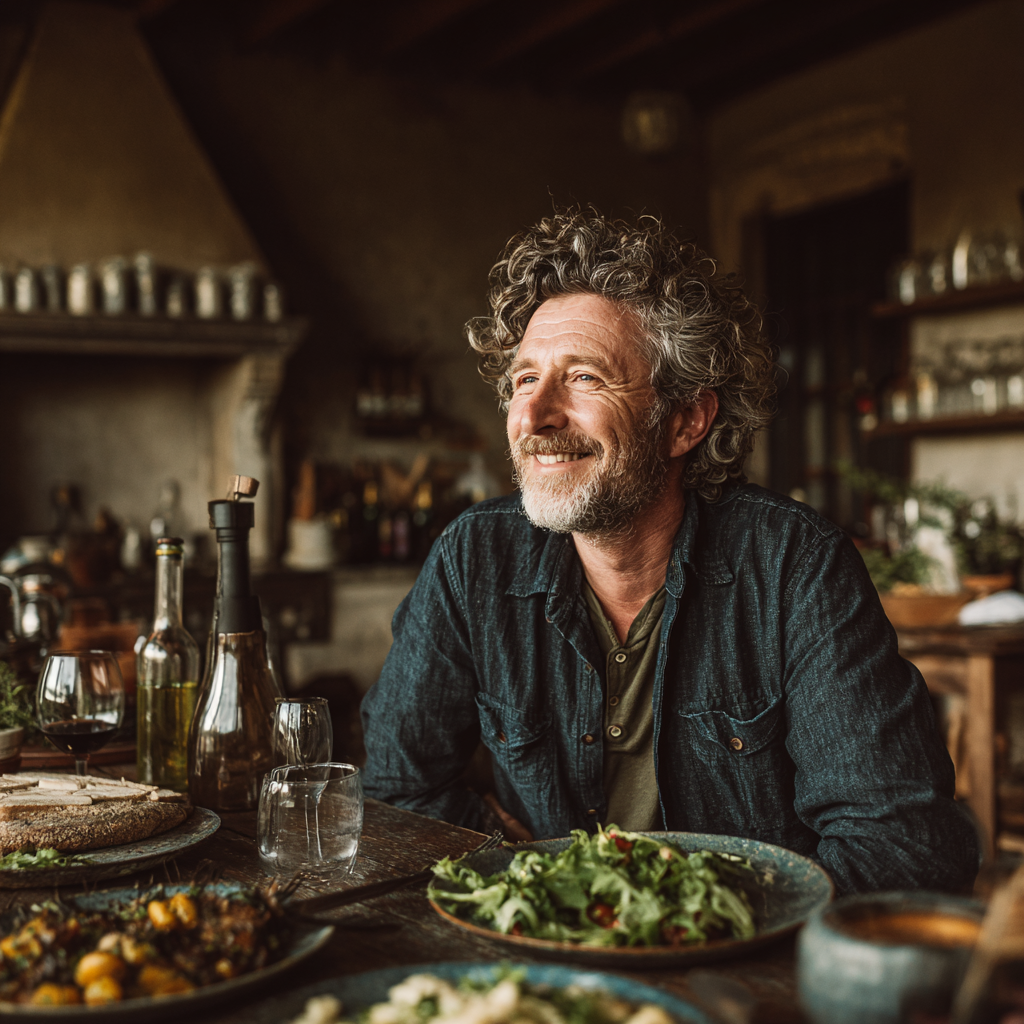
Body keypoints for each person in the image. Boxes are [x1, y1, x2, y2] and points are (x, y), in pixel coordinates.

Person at [360, 208, 979, 895]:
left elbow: (905, 848)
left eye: (586, 378)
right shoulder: (472, 559)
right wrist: (528, 884)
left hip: (744, 979)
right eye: (525, 379)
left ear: (686, 421)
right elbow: (395, 792)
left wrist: (683, 921)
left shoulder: (795, 565)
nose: (533, 418)